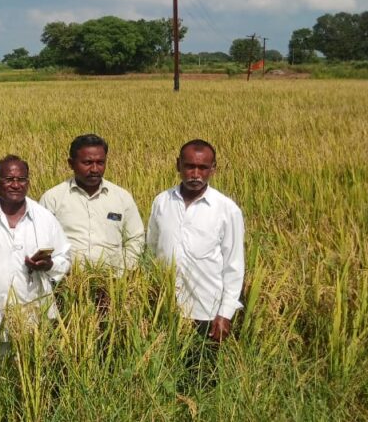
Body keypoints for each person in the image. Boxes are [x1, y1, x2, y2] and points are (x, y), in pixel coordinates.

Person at [0, 155, 71, 378]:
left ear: (28, 182)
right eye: (9, 179)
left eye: (22, 179)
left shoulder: (44, 219)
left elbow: (64, 258)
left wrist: (48, 265)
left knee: (30, 380)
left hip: (35, 317)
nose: (16, 185)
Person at [147, 139, 245, 342]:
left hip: (207, 313)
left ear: (213, 169)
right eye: (189, 166)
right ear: (178, 165)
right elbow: (151, 251)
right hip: (164, 308)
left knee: (204, 371)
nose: (195, 174)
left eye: (203, 167)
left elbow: (234, 266)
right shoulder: (162, 202)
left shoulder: (227, 210)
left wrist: (225, 313)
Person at [41, 134, 144, 274]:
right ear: (71, 164)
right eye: (87, 163)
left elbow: (135, 238)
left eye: (100, 162)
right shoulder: (53, 198)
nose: (95, 169)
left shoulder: (122, 197)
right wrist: (58, 272)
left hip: (114, 283)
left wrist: (123, 273)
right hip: (67, 284)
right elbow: (43, 242)